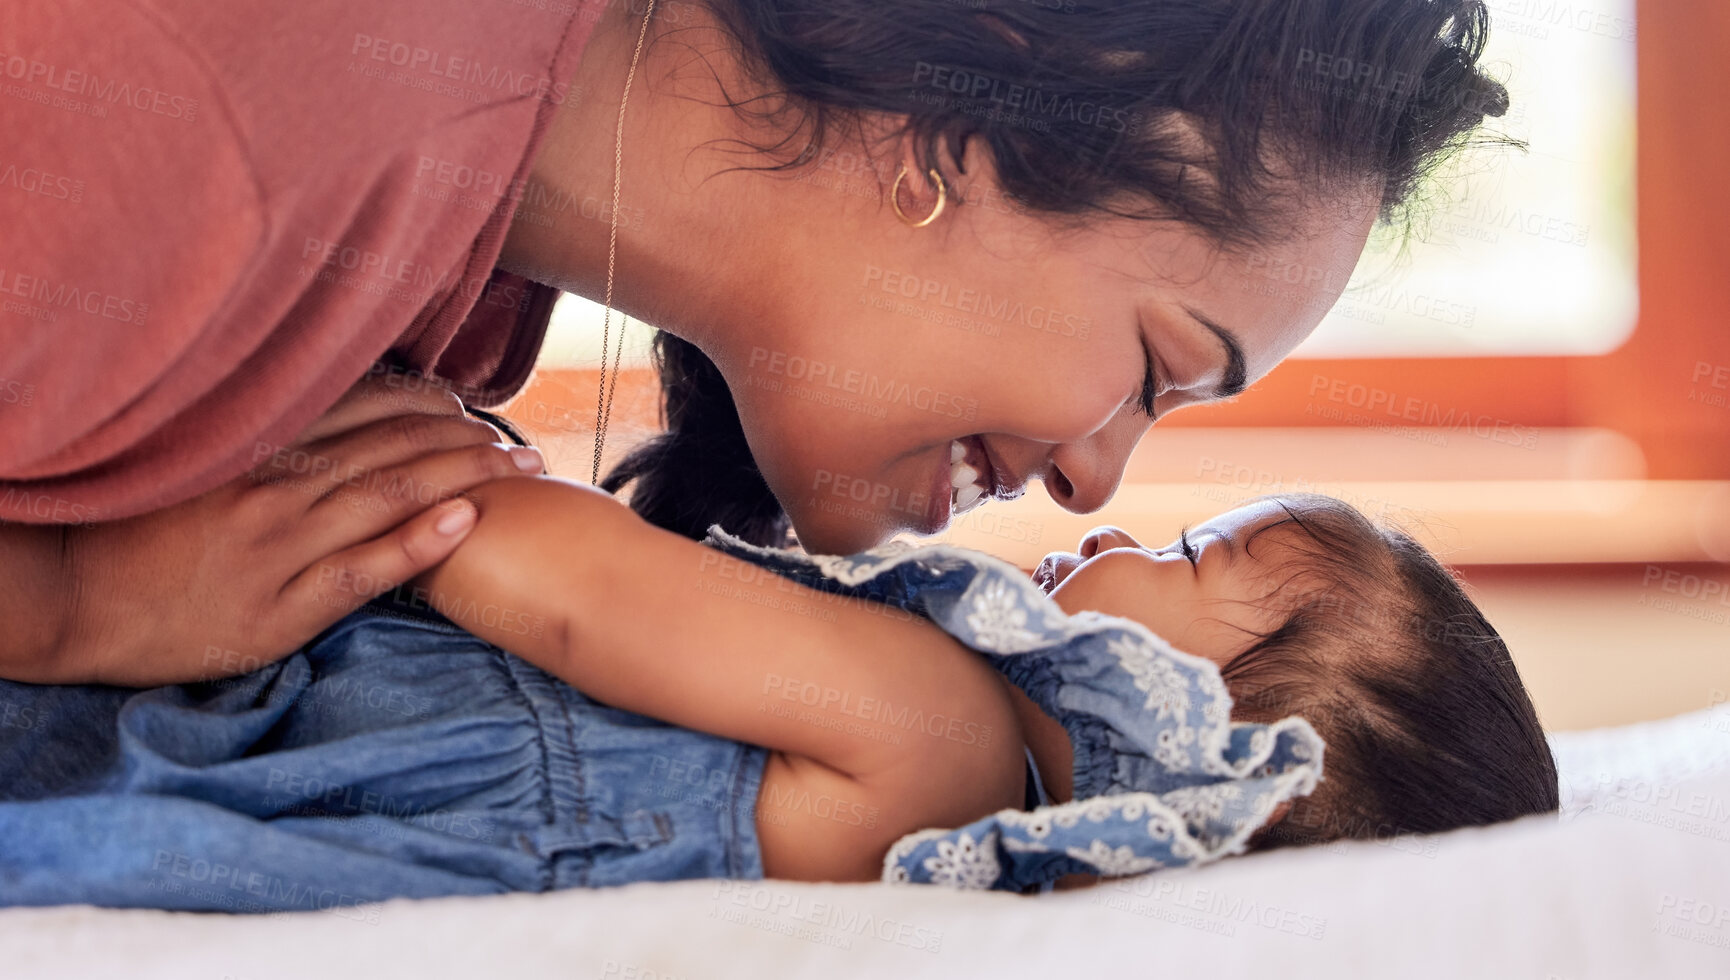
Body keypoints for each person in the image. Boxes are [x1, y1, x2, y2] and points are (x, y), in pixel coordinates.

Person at [0, 0, 1512, 686]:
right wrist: (74, 610)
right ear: (963, 116)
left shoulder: (471, 232)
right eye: (1155, 369)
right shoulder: (209, 85)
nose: (1096, 483)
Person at [0, 485, 1557, 908]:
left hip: (260, 710)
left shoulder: (929, 724)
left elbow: (551, 573)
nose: (1108, 529)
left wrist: (402, 459)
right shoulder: (930, 803)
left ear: (1210, 731)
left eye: (1183, 548)